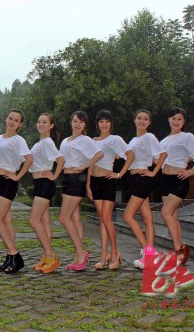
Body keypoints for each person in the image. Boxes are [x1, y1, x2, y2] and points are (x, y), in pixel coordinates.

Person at [86, 110, 135, 271]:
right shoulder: (92, 141)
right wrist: (88, 185)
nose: (104, 124)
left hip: (108, 181)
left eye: (107, 121)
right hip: (95, 182)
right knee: (101, 219)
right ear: (97, 123)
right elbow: (90, 164)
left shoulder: (115, 139)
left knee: (106, 218)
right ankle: (104, 255)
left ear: (111, 123)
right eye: (101, 121)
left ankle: (114, 253)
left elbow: (130, 156)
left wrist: (119, 174)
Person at [160, 107, 194, 265]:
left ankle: (178, 250)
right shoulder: (164, 141)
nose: (176, 121)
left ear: (184, 121)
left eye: (179, 119)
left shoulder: (187, 137)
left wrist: (191, 171)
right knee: (172, 216)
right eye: (173, 118)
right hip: (165, 180)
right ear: (168, 120)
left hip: (179, 179)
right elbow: (158, 159)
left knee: (166, 212)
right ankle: (180, 249)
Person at [58, 111, 104, 271]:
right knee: (74, 218)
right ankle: (78, 255)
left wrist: (84, 167)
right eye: (75, 121)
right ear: (70, 122)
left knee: (64, 217)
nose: (78, 124)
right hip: (66, 179)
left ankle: (81, 252)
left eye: (81, 122)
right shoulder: (65, 140)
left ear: (85, 125)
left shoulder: (85, 140)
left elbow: (99, 154)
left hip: (77, 179)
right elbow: (61, 160)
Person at [0, 109, 33, 274]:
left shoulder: (19, 140)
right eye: (10, 118)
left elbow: (29, 159)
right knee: (6, 221)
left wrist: (17, 176)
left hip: (9, 181)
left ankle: (16, 256)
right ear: (6, 119)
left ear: (20, 124)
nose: (12, 122)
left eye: (16, 120)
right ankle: (9, 257)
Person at [122, 109, 167, 270]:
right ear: (134, 120)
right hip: (134, 179)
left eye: (146, 119)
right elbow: (123, 156)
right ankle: (150, 255)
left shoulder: (149, 137)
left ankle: (149, 252)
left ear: (149, 122)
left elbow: (162, 155)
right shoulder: (133, 140)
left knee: (127, 216)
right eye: (139, 118)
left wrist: (153, 172)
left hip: (143, 178)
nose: (142, 121)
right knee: (147, 218)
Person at [28, 113, 64, 274]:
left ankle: (50, 256)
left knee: (33, 220)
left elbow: (60, 160)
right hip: (39, 183)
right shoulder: (40, 143)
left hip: (45, 184)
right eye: (39, 121)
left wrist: (54, 176)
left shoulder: (47, 142)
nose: (40, 124)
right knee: (44, 220)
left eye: (44, 122)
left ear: (51, 125)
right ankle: (46, 256)